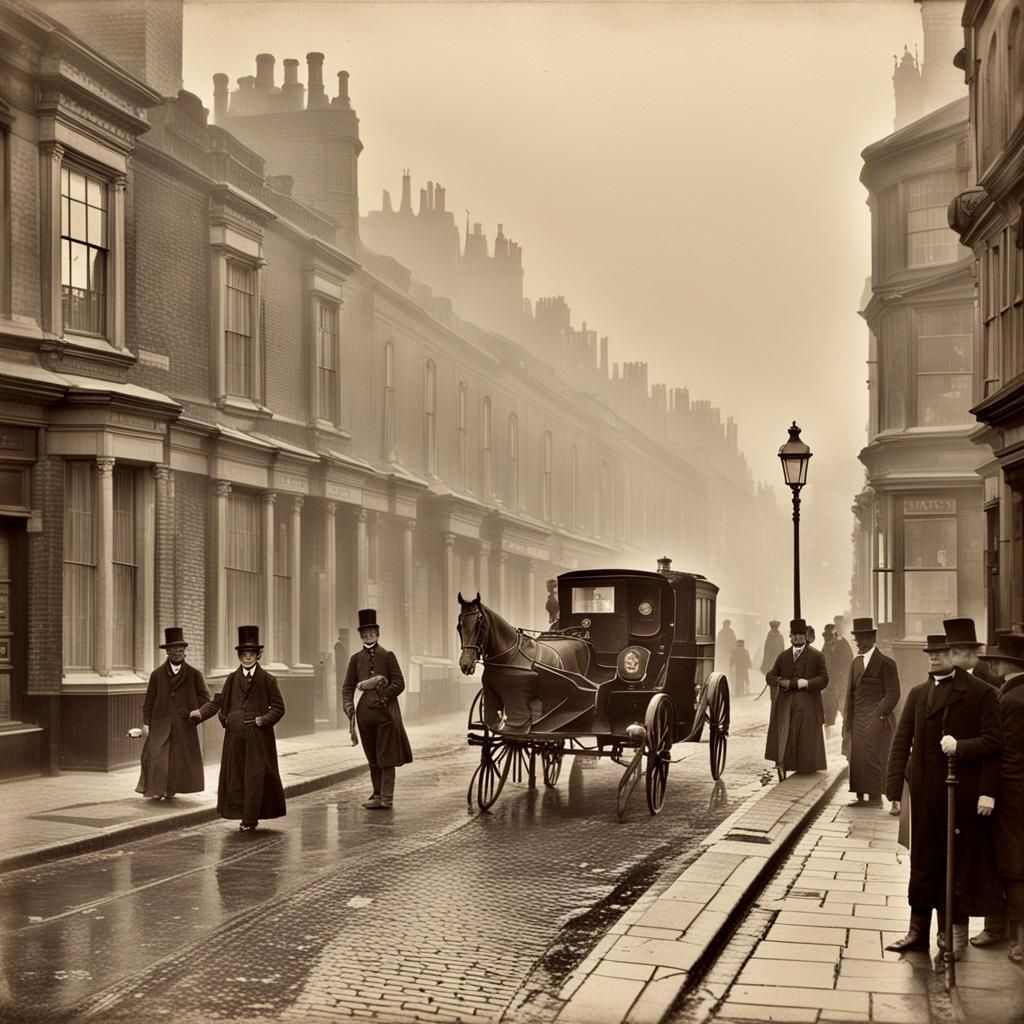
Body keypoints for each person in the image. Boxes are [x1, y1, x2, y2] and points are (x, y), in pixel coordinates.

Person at [884, 634, 1002, 958]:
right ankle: (917, 933)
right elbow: (901, 742)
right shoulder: (919, 694)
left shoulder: (981, 694)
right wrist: (893, 788)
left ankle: (952, 938)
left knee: (955, 868)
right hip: (923, 797)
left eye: (941, 652)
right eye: (930, 653)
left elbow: (994, 744)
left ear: (956, 654)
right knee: (922, 864)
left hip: (959, 798)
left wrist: (983, 788)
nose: (934, 658)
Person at [945, 617, 1007, 947]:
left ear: (969, 654)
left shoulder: (987, 687)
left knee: (985, 863)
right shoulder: (951, 682)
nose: (951, 657)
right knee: (964, 862)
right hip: (958, 788)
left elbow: (995, 747)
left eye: (956, 651)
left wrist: (987, 792)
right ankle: (958, 930)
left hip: (982, 788)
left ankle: (995, 926)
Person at [205, 625, 286, 832]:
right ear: (239, 656)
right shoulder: (232, 679)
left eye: (251, 654)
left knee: (256, 776)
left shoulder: (268, 679)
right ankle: (241, 813)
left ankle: (250, 819)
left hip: (258, 738)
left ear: (258, 655)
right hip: (235, 739)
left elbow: (278, 708)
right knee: (237, 776)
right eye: (243, 654)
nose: (247, 658)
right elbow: (221, 704)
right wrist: (226, 719)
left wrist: (263, 720)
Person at [342, 608, 413, 809]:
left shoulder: (388, 655)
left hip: (386, 716)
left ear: (378, 633)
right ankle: (377, 794)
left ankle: (387, 798)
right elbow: (348, 686)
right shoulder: (355, 659)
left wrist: (384, 696)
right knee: (372, 756)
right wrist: (348, 706)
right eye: (364, 633)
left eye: (372, 632)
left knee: (386, 757)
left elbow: (399, 683)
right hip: (364, 716)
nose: (368, 636)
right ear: (361, 635)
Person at [135, 626, 210, 800]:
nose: (178, 652)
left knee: (177, 760)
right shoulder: (157, 675)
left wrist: (196, 714)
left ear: (185, 652)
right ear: (167, 652)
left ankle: (170, 790)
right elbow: (149, 702)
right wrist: (146, 723)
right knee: (156, 758)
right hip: (160, 724)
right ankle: (156, 790)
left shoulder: (194, 674)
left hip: (184, 726)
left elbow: (207, 700)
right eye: (174, 649)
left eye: (181, 649)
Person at [990, 634, 1024, 963]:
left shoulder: (1009, 701)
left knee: (1014, 866)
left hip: (1014, 793)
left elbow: (1009, 754)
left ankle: (1018, 940)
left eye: (998, 661)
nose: (995, 665)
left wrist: (995, 789)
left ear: (1009, 665)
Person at [841, 617, 900, 806]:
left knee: (875, 755)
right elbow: (849, 695)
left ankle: (875, 797)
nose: (859, 642)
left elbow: (893, 694)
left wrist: (879, 713)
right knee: (857, 756)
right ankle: (859, 795)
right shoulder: (855, 663)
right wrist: (847, 722)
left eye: (863, 638)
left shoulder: (886, 663)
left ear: (872, 639)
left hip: (877, 719)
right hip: (857, 718)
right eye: (857, 638)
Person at [764, 618, 829, 777]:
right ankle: (785, 763)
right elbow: (770, 676)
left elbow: (824, 679)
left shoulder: (817, 656)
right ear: (790, 636)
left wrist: (806, 683)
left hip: (808, 701)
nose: (798, 638)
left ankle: (806, 767)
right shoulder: (783, 656)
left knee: (806, 735)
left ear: (805, 636)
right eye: (795, 635)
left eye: (801, 635)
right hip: (786, 703)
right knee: (786, 733)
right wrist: (780, 682)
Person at [334, 627, 349, 728]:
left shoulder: (343, 646)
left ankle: (343, 723)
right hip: (340, 675)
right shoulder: (339, 646)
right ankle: (341, 723)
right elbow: (340, 663)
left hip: (343, 675)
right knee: (341, 697)